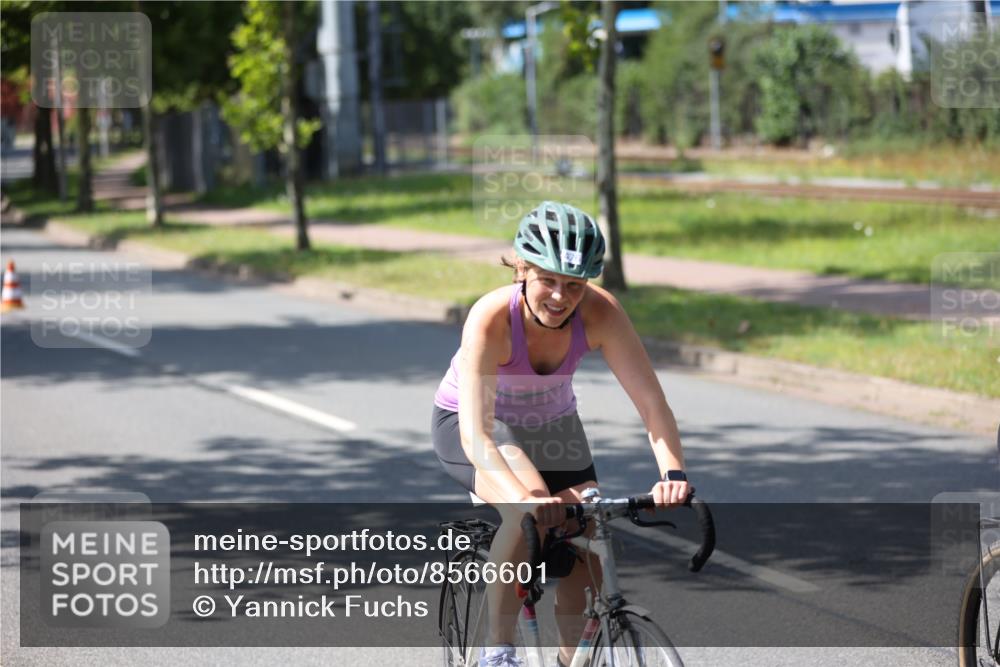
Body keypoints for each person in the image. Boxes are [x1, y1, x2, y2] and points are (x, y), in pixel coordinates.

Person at [432, 201, 691, 667]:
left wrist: (672, 472)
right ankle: (498, 650)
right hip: (475, 423)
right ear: (522, 270)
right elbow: (477, 434)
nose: (559, 296)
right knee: (526, 505)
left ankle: (571, 660)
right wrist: (526, 501)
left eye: (573, 285)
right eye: (547, 280)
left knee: (589, 523)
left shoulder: (601, 313)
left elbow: (652, 403)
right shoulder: (492, 317)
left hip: (553, 425)